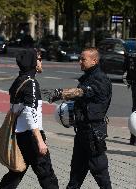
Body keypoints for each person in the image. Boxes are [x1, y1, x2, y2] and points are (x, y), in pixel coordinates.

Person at [49, 47, 112, 189]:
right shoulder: (88, 76)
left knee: (100, 171)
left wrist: (60, 93)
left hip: (94, 132)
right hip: (83, 131)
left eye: (83, 59)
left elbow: (81, 92)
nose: (80, 62)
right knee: (77, 171)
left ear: (94, 60)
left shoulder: (100, 79)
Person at [0, 49, 59, 189]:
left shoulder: (19, 81)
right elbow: (30, 113)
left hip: (21, 135)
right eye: (39, 58)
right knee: (47, 175)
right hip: (31, 135)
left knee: (16, 172)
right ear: (33, 62)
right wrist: (39, 140)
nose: (41, 61)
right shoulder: (31, 83)